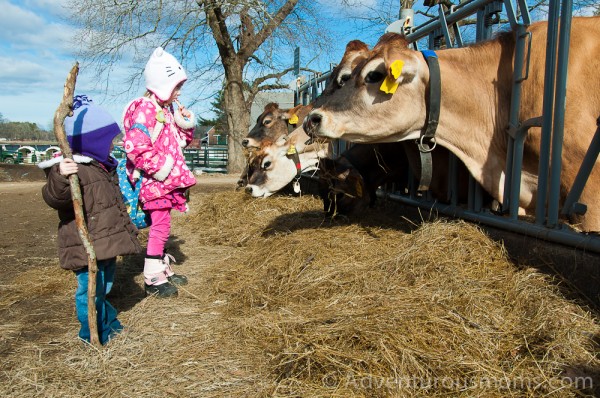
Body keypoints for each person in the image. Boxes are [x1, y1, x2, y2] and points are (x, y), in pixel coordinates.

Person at [39, 95, 142, 345]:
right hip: (85, 245)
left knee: (103, 287)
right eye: (108, 140)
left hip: (104, 243)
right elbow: (54, 197)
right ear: (93, 142)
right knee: (89, 290)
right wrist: (61, 175)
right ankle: (91, 332)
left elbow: (114, 205)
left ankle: (107, 319)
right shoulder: (75, 169)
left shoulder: (102, 167)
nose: (113, 145)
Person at [122, 47, 197, 298]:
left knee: (161, 225)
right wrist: (162, 169)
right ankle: (153, 278)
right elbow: (135, 147)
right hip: (153, 181)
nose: (179, 92)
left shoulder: (164, 110)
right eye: (176, 86)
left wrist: (185, 124)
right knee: (161, 225)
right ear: (162, 84)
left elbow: (177, 143)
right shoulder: (145, 109)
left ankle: (161, 269)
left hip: (161, 181)